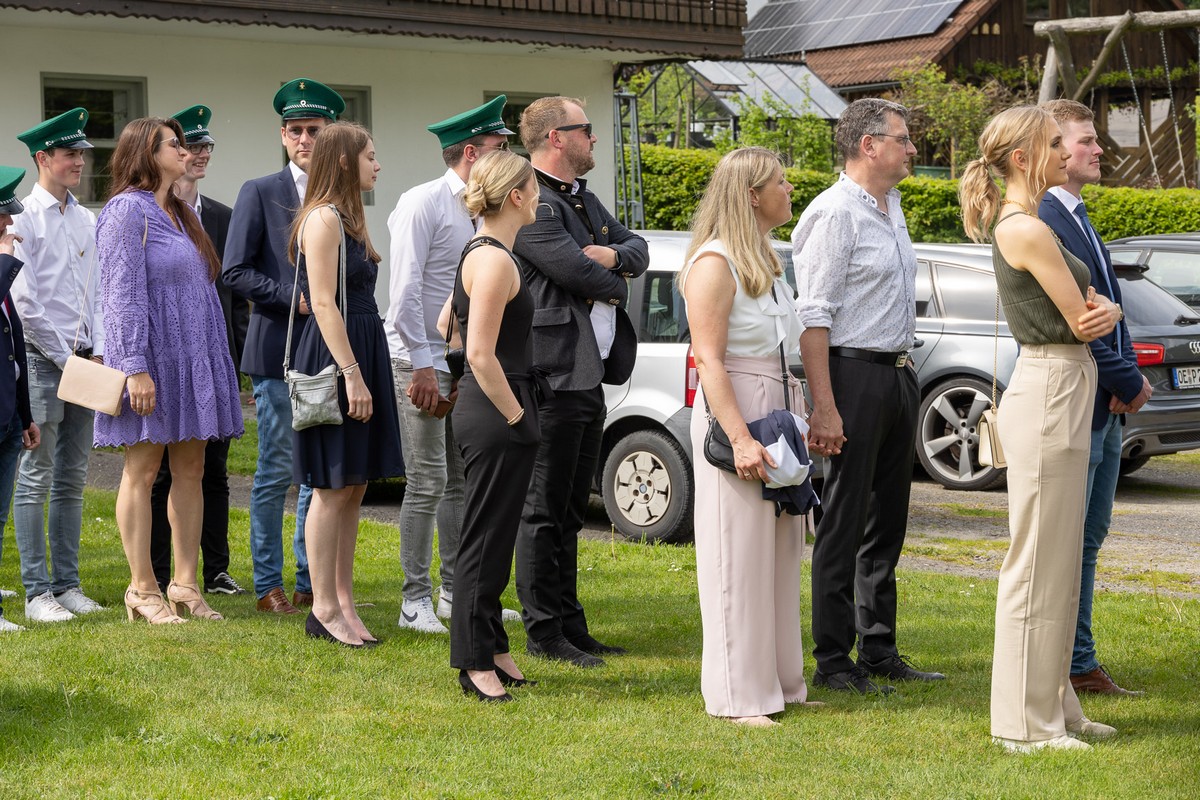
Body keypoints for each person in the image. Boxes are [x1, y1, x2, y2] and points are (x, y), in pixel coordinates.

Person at [959, 104, 1120, 752]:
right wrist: (1105, 310)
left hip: (1065, 382)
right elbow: (1085, 317)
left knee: (1058, 559)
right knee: (1034, 563)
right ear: (1023, 157)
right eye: (1053, 144)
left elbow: (1090, 311)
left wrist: (1101, 310)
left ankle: (1056, 704)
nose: (1064, 152)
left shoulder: (1026, 223)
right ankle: (1024, 724)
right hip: (1052, 385)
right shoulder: (1024, 227)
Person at [792, 98, 944, 694]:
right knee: (844, 520)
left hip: (898, 374)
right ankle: (833, 659)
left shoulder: (891, 206)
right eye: (903, 139)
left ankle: (878, 648)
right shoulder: (834, 214)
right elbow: (814, 318)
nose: (912, 149)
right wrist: (825, 405)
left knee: (888, 519)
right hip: (851, 375)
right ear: (868, 145)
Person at [679, 147, 814, 727]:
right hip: (736, 408)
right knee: (736, 557)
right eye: (781, 182)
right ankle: (737, 696)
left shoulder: (765, 260)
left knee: (779, 555)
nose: (790, 189)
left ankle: (780, 684)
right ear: (753, 195)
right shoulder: (714, 263)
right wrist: (738, 439)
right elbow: (709, 359)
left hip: (776, 407)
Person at [511, 95, 648, 668]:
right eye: (585, 129)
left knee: (570, 508)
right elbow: (574, 272)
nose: (594, 138)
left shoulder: (583, 198)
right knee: (544, 509)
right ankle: (544, 632)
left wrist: (610, 260)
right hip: (554, 372)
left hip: (587, 372)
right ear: (556, 138)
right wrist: (613, 276)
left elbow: (638, 248)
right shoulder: (533, 201)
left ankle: (570, 623)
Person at [94, 116, 244, 625]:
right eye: (174, 144)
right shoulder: (125, 211)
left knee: (192, 468)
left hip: (193, 358)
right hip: (152, 360)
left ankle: (184, 584)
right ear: (146, 152)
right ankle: (141, 588)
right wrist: (134, 366)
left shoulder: (180, 212)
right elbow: (121, 295)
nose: (185, 151)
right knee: (142, 470)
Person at [385, 96, 520, 634]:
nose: (508, 154)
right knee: (426, 481)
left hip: (460, 360)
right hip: (419, 358)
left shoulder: (482, 207)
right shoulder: (421, 202)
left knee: (460, 480)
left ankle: (453, 591)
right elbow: (403, 293)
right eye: (499, 146)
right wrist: (422, 364)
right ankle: (413, 599)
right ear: (471, 152)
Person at [1039, 99, 1150, 697]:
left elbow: (1111, 311)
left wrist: (1125, 378)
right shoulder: (1043, 219)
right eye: (1085, 140)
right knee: (1064, 542)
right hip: (1081, 400)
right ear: (1053, 149)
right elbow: (1075, 322)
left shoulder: (1076, 215)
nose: (1098, 148)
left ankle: (1079, 662)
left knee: (1088, 538)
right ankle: (1063, 663)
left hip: (1103, 403)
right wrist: (1128, 381)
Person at [224, 78, 345, 614]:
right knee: (276, 469)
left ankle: (309, 579)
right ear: (282, 135)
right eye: (294, 131)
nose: (303, 140)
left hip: (329, 349)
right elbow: (234, 270)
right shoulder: (259, 190)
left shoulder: (343, 194)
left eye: (313, 130)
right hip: (277, 347)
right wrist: (291, 299)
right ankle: (267, 584)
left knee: (316, 471)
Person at [289, 122, 402, 647]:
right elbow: (322, 302)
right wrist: (351, 374)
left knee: (353, 487)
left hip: (361, 346)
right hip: (338, 356)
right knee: (331, 486)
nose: (377, 165)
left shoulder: (349, 217)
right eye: (370, 156)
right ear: (343, 161)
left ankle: (345, 603)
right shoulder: (322, 219)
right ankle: (323, 608)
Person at [449, 149, 545, 701]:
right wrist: (517, 416)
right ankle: (474, 661)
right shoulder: (493, 260)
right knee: (484, 539)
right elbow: (479, 354)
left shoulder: (485, 252)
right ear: (515, 196)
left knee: (497, 534)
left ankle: (493, 645)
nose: (538, 198)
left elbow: (448, 322)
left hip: (495, 404)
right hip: (496, 409)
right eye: (534, 189)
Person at [9, 108, 106, 623]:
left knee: (72, 476)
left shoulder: (86, 219)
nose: (80, 162)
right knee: (36, 476)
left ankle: (67, 585)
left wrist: (98, 349)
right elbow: (25, 304)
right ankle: (36, 593)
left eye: (82, 154)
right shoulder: (23, 217)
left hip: (84, 362)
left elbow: (97, 295)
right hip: (44, 362)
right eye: (70, 154)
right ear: (43, 158)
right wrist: (66, 358)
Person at [148, 104, 247, 597]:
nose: (201, 153)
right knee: (160, 472)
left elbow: (234, 295)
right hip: (167, 358)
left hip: (214, 356)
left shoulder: (222, 217)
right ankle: (156, 572)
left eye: (207, 146)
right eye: (192, 146)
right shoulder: (146, 214)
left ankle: (215, 570)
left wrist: (238, 357)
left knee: (212, 470)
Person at [0, 166, 42, 633]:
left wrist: (26, 415)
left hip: (9, 415)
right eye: (1, 217)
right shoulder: (2, 265)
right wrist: (5, 261)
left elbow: (14, 347)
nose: (9, 225)